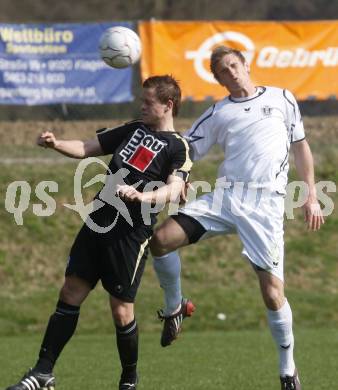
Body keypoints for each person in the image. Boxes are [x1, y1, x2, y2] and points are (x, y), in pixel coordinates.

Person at [150, 46, 324, 390]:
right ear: (218, 80)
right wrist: (180, 178)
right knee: (160, 241)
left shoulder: (283, 98)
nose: (231, 72)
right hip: (226, 197)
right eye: (222, 71)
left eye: (234, 65)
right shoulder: (218, 113)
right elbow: (184, 151)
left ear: (246, 65)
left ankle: (288, 371)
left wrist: (311, 194)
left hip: (265, 206)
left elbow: (300, 146)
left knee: (273, 294)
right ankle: (175, 307)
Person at [6, 75, 193, 390]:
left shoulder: (179, 146)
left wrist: (142, 197)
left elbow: (174, 189)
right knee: (70, 293)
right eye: (142, 101)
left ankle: (128, 380)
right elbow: (86, 147)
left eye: (148, 102)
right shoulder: (133, 129)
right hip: (98, 221)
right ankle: (42, 372)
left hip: (130, 234)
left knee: (121, 311)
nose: (142, 106)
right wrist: (56, 144)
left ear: (168, 105)